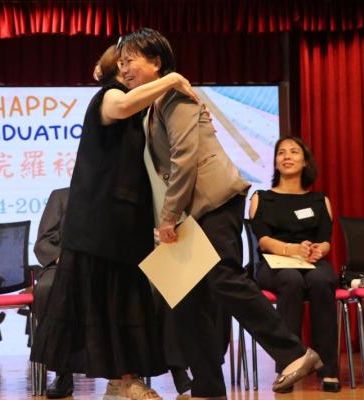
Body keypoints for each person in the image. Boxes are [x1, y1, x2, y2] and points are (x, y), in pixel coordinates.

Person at [117, 28, 322, 398]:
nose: (124, 69)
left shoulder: (175, 95)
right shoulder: (152, 105)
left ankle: (293, 352)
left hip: (215, 202)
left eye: (130, 60)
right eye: (120, 64)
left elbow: (184, 159)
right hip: (193, 212)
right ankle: (208, 387)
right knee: (187, 300)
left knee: (223, 277)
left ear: (157, 62)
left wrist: (168, 217)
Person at [30, 45, 199, 400]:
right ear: (118, 72)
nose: (130, 68)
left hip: (125, 225)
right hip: (100, 226)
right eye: (125, 63)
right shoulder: (109, 96)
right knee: (109, 302)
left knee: (123, 303)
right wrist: (173, 79)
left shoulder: (141, 110)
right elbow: (121, 107)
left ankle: (121, 381)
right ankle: (124, 379)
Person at [249, 136, 340, 392]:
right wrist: (292, 250)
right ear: (276, 162)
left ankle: (328, 369)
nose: (287, 156)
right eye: (281, 152)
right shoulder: (261, 198)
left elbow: (325, 240)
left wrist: (317, 250)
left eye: (294, 152)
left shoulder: (319, 200)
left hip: (310, 261)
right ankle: (288, 366)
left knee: (323, 280)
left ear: (305, 162)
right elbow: (263, 239)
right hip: (274, 263)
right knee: (291, 280)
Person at [32, 187, 77, 398]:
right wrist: (63, 259)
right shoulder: (61, 196)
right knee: (46, 288)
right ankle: (62, 372)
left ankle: (126, 376)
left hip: (104, 266)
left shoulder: (111, 196)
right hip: (62, 264)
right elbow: (43, 242)